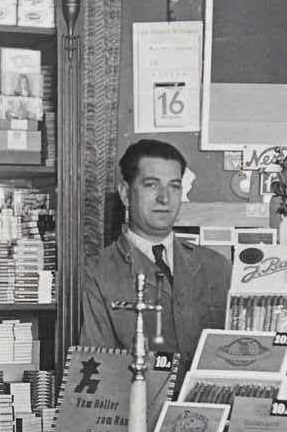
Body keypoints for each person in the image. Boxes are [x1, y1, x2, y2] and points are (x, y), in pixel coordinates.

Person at [80, 139, 231, 362]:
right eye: (152, 184)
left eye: (174, 186)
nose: (164, 197)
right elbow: (96, 372)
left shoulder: (217, 267)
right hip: (137, 396)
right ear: (125, 194)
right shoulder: (99, 272)